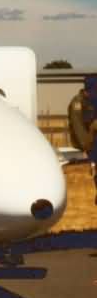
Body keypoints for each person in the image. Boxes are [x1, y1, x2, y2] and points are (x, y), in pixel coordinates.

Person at [68, 75, 97, 204]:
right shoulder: (77, 103)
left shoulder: (93, 99)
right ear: (87, 90)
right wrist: (86, 146)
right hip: (90, 142)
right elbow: (78, 127)